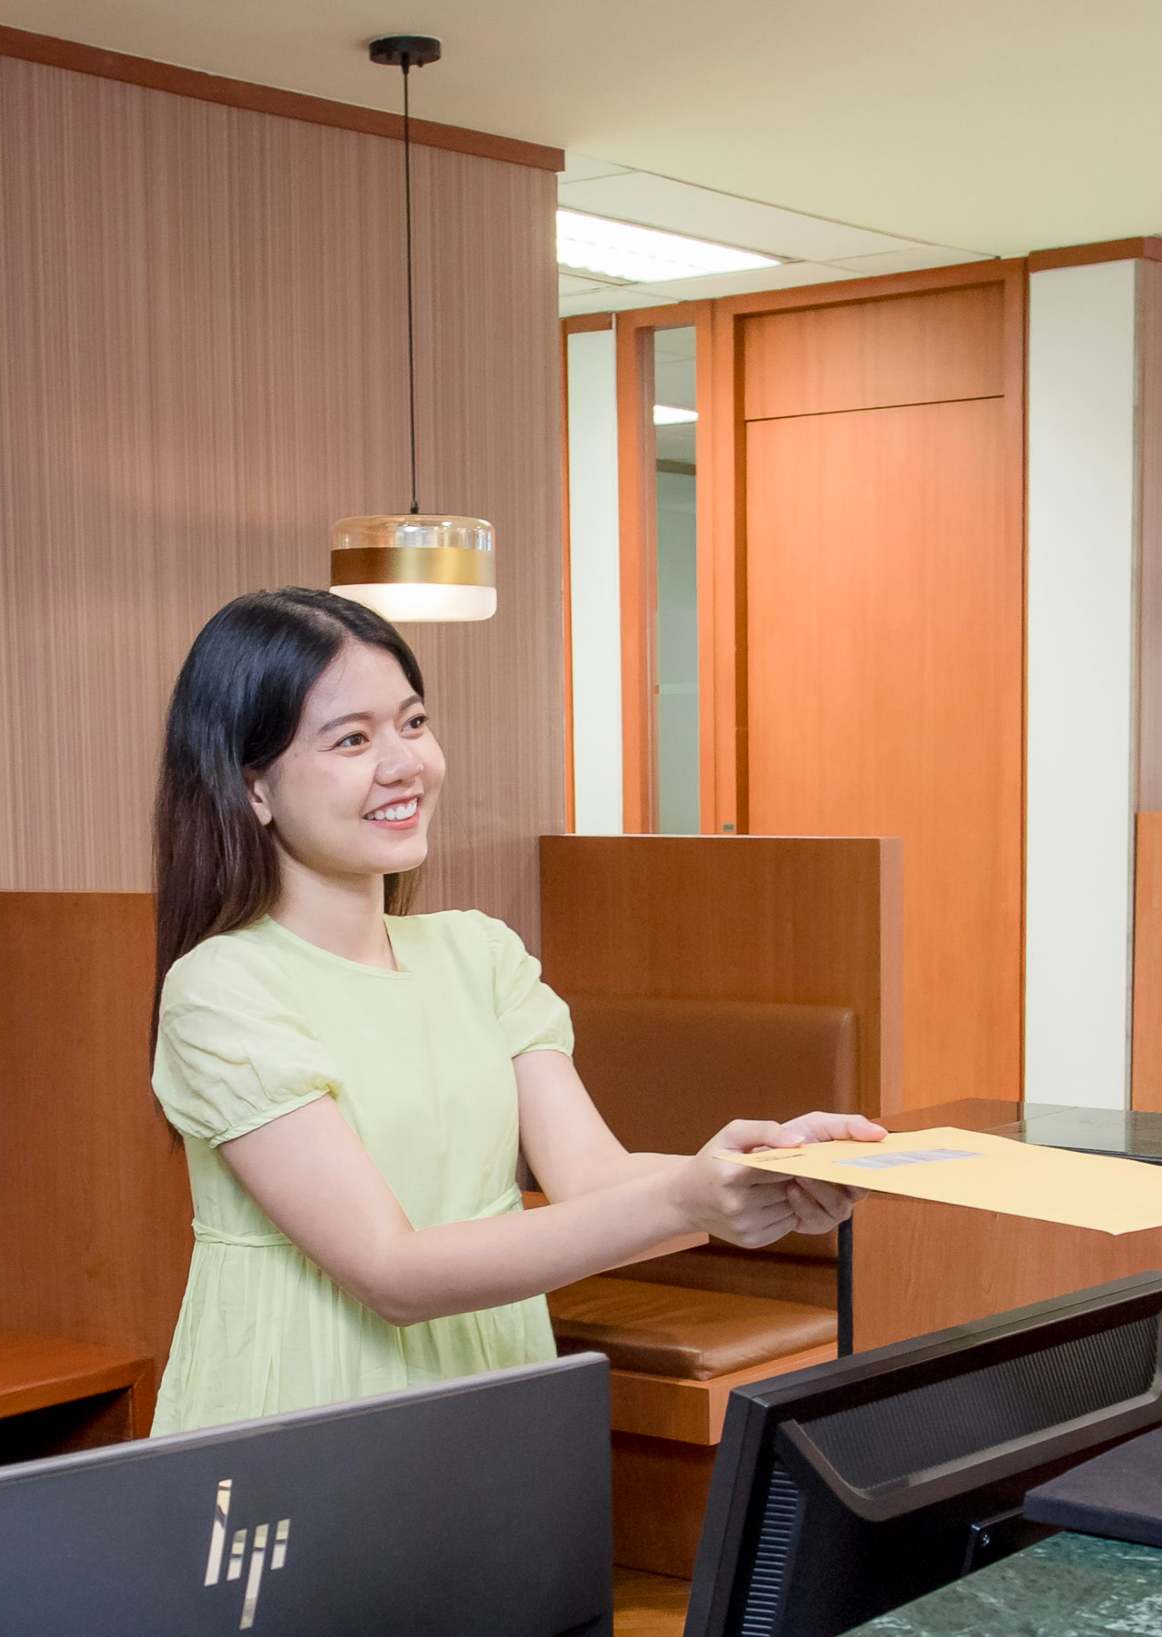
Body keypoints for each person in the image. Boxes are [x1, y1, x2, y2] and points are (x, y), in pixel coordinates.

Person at [147, 586, 880, 1435]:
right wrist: (687, 1200)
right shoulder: (222, 988)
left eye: (413, 723)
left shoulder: (477, 953)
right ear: (254, 788)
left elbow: (593, 1180)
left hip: (493, 1388)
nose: (404, 765)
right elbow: (391, 1270)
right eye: (352, 739)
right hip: (306, 1413)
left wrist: (769, 1172)